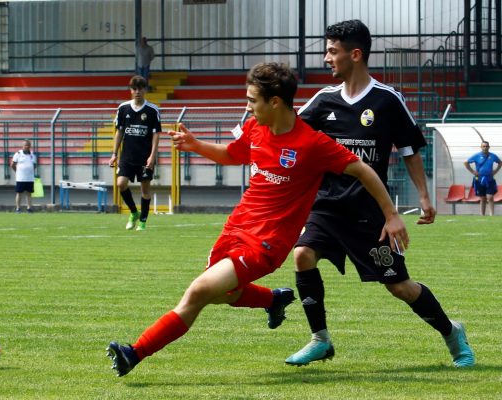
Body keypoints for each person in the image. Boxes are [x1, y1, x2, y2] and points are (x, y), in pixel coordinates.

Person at [106, 62, 409, 377]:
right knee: (225, 293)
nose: (247, 107)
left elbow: (361, 169)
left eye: (252, 100)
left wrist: (391, 215)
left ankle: (134, 353)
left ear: (274, 102)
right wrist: (196, 146)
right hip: (236, 228)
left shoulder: (312, 144)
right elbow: (232, 155)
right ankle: (273, 299)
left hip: (266, 244)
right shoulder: (256, 129)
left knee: (198, 292)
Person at [285, 19, 475, 368]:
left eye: (332, 51)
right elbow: (289, 132)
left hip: (369, 213)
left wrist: (423, 197)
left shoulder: (387, 100)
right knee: (302, 255)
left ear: (355, 54)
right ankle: (319, 339)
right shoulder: (322, 100)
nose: (326, 58)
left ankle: (452, 332)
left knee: (400, 287)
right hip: (326, 206)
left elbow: (409, 150)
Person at [109, 75, 161, 231]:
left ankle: (143, 222)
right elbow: (119, 132)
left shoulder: (152, 110)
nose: (137, 92)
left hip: (145, 157)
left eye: (140, 89)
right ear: (131, 90)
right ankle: (133, 212)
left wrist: (152, 156)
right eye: (134, 89)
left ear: (145, 90)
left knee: (145, 189)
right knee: (120, 183)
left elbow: (156, 134)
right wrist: (114, 154)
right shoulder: (123, 108)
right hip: (127, 156)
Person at [464, 141, 501, 216]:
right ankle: (482, 215)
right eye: (483, 146)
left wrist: (495, 171)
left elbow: (500, 163)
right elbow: (466, 162)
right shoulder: (477, 155)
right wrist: (473, 172)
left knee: (490, 197)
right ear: (481, 147)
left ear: (489, 147)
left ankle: (492, 214)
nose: (485, 148)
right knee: (483, 198)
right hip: (480, 179)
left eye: (486, 146)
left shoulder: (493, 156)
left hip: (489, 179)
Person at [11, 139, 37, 213]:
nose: (27, 147)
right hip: (20, 178)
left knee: (29, 193)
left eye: (28, 145)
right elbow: (12, 165)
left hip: (30, 178)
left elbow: (34, 165)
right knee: (19, 193)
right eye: (25, 145)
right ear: (22, 146)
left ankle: (29, 208)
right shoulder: (18, 154)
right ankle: (18, 208)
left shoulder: (32, 155)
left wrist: (30, 171)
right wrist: (17, 171)